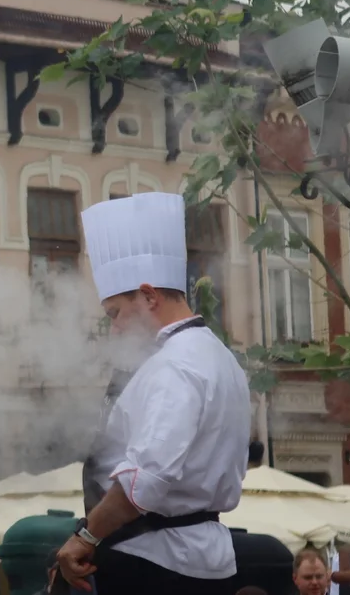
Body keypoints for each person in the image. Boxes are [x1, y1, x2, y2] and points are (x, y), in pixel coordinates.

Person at [51, 193, 252, 595]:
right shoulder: (218, 355)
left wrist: (84, 537)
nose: (115, 330)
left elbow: (146, 480)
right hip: (207, 563)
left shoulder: (173, 365)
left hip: (156, 565)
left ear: (148, 296)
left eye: (115, 314)